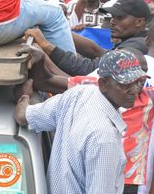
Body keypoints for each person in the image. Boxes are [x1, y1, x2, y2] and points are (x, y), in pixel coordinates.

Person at [14, 49, 146, 194]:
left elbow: (22, 116)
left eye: (139, 82)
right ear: (103, 84)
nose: (135, 90)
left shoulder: (79, 94)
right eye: (125, 84)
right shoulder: (104, 138)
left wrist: (25, 97)